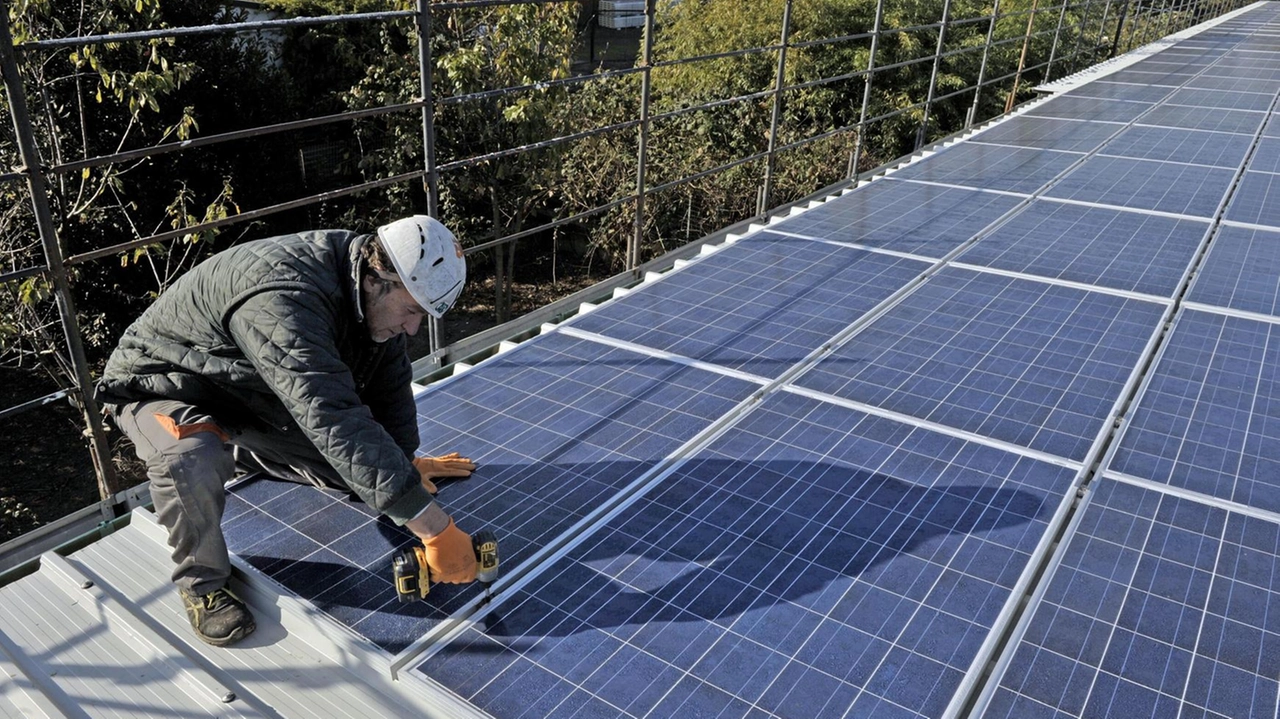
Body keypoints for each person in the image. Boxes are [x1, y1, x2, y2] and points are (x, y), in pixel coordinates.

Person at [95, 215, 480, 647]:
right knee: (192, 455)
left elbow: (388, 384)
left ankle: (239, 449)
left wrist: (403, 463)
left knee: (357, 474)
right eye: (411, 312)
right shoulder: (284, 295)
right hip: (166, 385)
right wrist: (434, 529)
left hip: (245, 387)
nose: (413, 329)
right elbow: (329, 414)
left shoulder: (368, 287)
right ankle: (202, 585)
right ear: (376, 281)